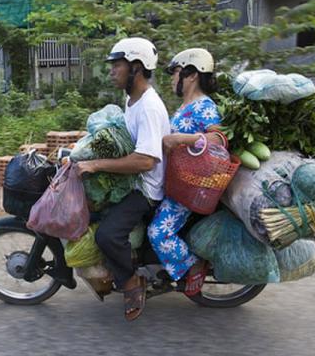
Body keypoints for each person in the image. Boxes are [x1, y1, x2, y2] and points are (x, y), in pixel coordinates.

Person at [76, 37, 170, 321]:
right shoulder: (132, 100)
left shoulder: (149, 107)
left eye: (117, 65)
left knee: (107, 235)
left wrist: (96, 163)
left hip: (146, 188)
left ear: (137, 68)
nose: (111, 71)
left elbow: (145, 160)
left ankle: (131, 281)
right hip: (130, 182)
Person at [147, 48, 224, 296]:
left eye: (176, 73)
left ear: (192, 75)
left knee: (158, 232)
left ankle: (193, 266)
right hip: (176, 181)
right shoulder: (185, 107)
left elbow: (219, 141)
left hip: (191, 186)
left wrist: (182, 138)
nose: (172, 79)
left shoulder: (204, 106)